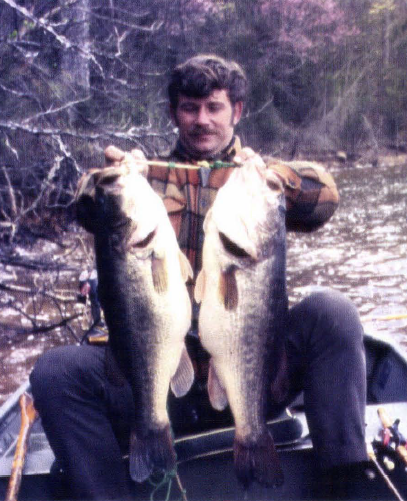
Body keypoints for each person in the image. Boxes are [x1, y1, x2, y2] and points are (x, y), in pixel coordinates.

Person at [30, 54, 368, 500]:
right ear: (174, 113)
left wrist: (275, 178)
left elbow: (325, 196)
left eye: (214, 107)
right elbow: (86, 204)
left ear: (238, 111)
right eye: (190, 108)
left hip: (253, 377)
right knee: (55, 372)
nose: (202, 120)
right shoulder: (141, 184)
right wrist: (108, 179)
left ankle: (348, 484)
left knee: (333, 313)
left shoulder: (261, 184)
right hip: (159, 384)